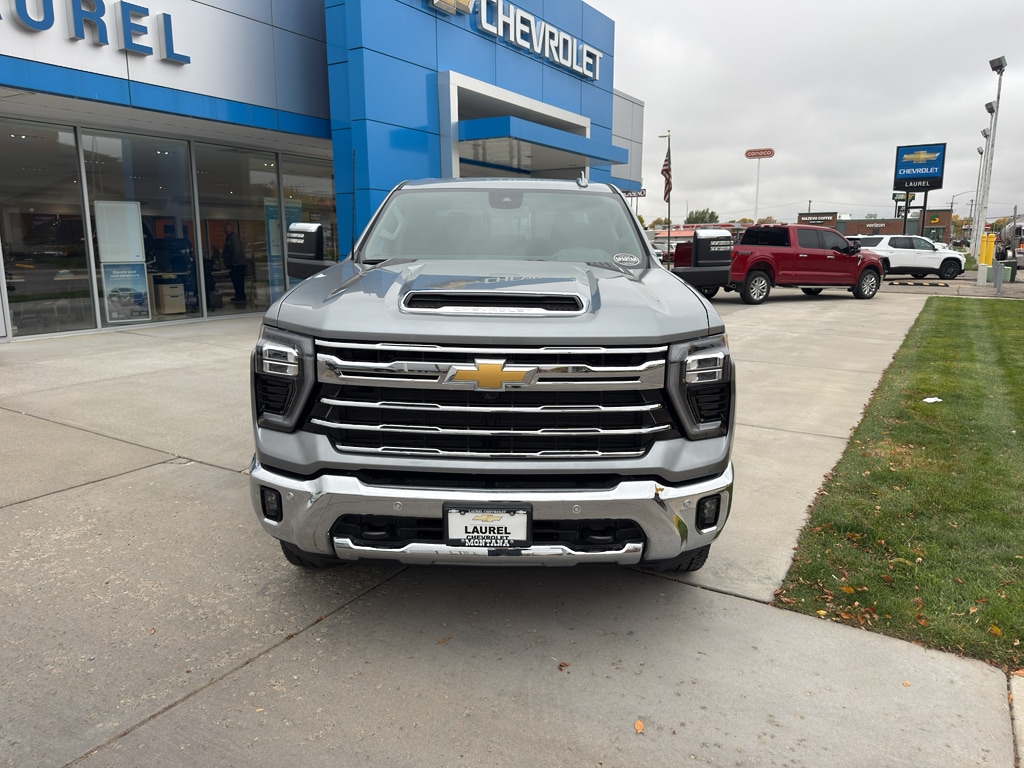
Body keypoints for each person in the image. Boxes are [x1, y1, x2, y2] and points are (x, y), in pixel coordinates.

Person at [222, 222, 246, 303]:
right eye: (224, 229)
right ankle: (238, 295)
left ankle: (240, 296)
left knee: (238, 281)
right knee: (236, 281)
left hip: (237, 265)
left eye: (226, 229)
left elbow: (236, 250)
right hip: (235, 264)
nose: (225, 231)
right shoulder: (229, 237)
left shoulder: (233, 238)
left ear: (231, 229)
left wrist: (233, 261)